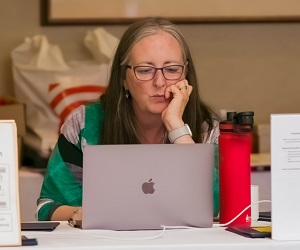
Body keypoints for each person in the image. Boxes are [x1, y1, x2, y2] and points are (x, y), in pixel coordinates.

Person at [36, 17, 220, 222]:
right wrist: (82, 214)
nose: (160, 82)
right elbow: (47, 207)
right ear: (123, 79)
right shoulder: (84, 124)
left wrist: (177, 129)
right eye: (144, 70)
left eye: (171, 69)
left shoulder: (208, 128)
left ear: (185, 73)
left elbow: (219, 206)